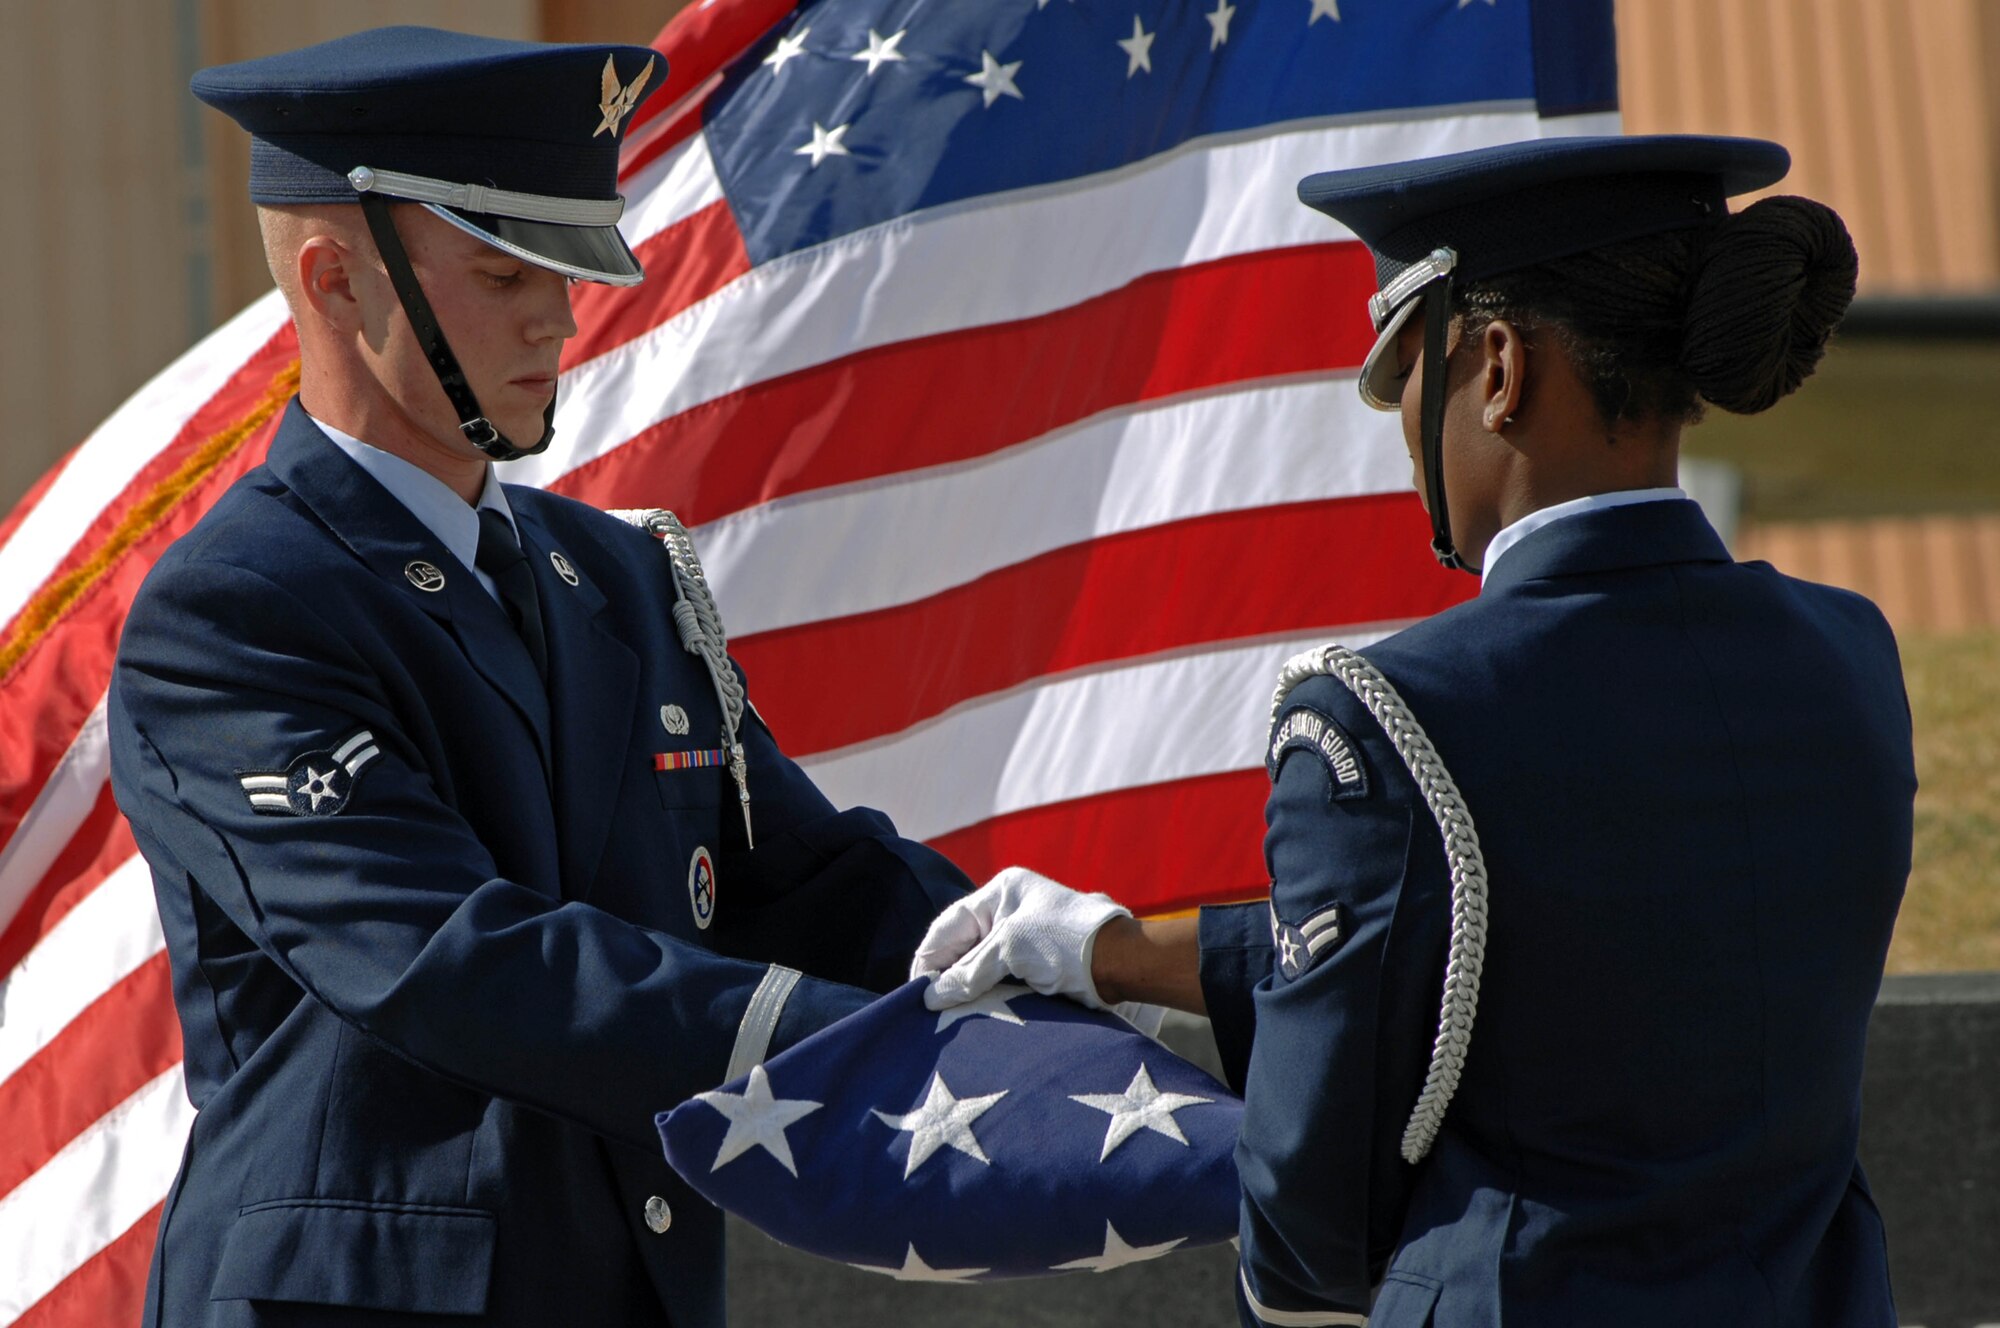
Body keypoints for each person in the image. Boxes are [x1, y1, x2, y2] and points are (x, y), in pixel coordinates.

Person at [914, 135, 1913, 1327]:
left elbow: (1308, 1199)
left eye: (1407, 382)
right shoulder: (1846, 653)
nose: (1401, 436)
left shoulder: (1389, 711)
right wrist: (1109, 948)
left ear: (1495, 368)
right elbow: (1590, 948)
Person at [108, 27, 969, 1328]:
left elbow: (810, 884)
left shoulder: (617, 576)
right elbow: (457, 963)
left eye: (566, 271)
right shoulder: (237, 610)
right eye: (504, 273)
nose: (559, 318)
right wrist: (864, 1055)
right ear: (337, 280)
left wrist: (1058, 968)